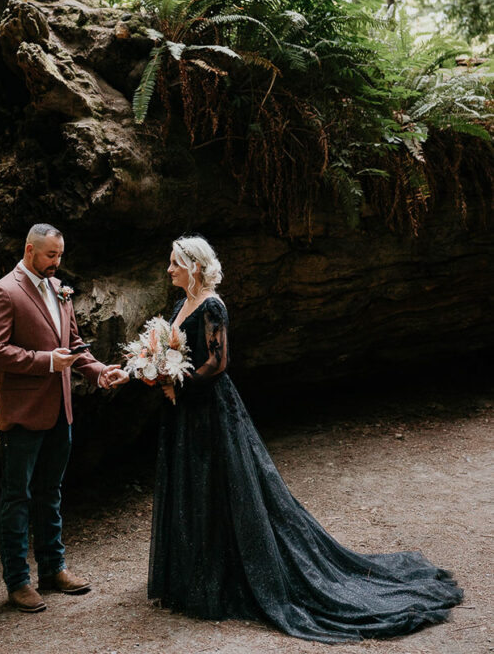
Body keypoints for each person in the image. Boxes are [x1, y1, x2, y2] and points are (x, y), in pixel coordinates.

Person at [119, 235, 463, 644]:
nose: (169, 269)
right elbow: (176, 350)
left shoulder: (212, 304)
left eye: (175, 263)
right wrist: (152, 368)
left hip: (210, 411)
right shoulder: (181, 305)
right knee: (196, 488)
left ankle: (233, 576)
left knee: (226, 487)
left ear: (193, 266)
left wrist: (179, 380)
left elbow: (219, 362)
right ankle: (198, 574)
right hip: (184, 414)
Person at [0, 223, 127, 613]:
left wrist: (97, 371)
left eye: (60, 255)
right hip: (23, 412)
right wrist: (45, 362)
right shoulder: (3, 291)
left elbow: (73, 344)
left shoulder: (60, 289)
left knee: (51, 491)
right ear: (29, 251)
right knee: (17, 497)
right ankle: (18, 582)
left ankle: (53, 568)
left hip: (61, 407)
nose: (57, 263)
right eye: (50, 255)